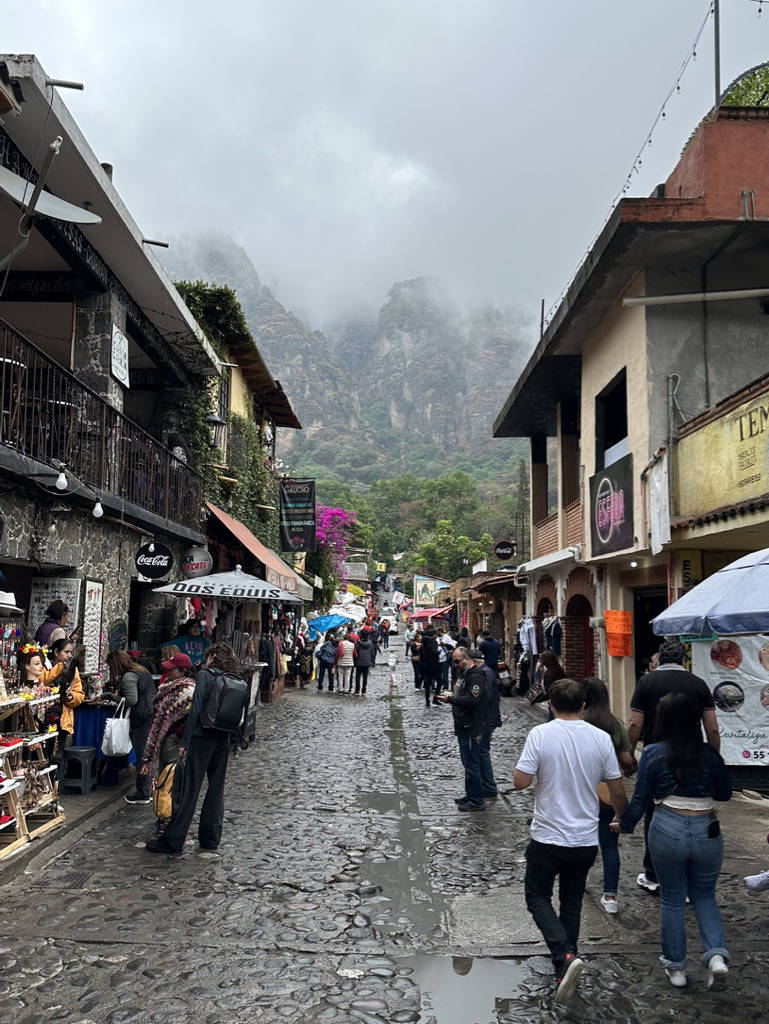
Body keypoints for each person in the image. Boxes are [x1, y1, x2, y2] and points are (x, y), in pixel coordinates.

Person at [514, 678, 627, 1004]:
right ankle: (568, 960)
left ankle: (563, 955)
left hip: (548, 835)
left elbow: (521, 782)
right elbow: (616, 788)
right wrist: (620, 817)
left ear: (550, 704)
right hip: (585, 837)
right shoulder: (601, 738)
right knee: (572, 899)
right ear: (582, 706)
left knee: (536, 896)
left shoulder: (540, 734)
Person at [616, 693, 731, 991]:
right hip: (707, 828)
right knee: (704, 896)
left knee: (672, 898)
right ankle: (716, 956)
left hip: (667, 826)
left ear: (662, 720)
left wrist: (624, 824)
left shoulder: (653, 753)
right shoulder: (709, 755)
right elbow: (724, 794)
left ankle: (676, 968)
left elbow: (640, 800)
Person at [627, 637, 720, 894]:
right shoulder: (698, 684)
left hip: (656, 753)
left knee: (654, 810)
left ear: (659, 659)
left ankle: (654, 871)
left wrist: (627, 754)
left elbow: (635, 723)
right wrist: (713, 757)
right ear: (682, 659)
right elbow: (711, 725)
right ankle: (691, 871)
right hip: (692, 753)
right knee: (694, 808)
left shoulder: (647, 682)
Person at [146, 643, 241, 854]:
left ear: (213, 657)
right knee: (216, 789)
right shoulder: (234, 678)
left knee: (189, 790)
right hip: (222, 738)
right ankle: (210, 838)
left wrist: (185, 743)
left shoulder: (206, 676)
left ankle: (173, 840)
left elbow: (196, 708)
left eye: (208, 657)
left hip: (201, 736)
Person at [581, 677, 634, 914]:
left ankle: (578, 881)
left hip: (581, 790)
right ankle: (610, 895)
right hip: (607, 792)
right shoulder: (614, 724)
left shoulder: (579, 723)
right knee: (610, 845)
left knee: (580, 840)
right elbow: (627, 759)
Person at [139, 652, 196, 833]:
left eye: (172, 670)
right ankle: (163, 815)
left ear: (182, 671)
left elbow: (190, 717)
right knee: (163, 778)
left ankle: (168, 818)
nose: (168, 672)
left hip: (172, 741)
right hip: (163, 739)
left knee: (169, 779)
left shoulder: (188, 691)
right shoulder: (168, 687)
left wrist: (179, 735)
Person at [437, 647, 488, 811]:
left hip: (472, 726)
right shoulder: (464, 675)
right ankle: (470, 794)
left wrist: (451, 699)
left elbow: (473, 701)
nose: (455, 664)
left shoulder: (475, 677)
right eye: (454, 661)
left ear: (467, 659)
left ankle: (477, 800)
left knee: (472, 763)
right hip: (463, 725)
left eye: (458, 661)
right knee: (467, 763)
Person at [106, 650, 156, 805]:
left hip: (141, 718)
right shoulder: (141, 670)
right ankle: (147, 789)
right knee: (146, 754)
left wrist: (114, 697)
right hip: (149, 713)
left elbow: (132, 700)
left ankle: (143, 792)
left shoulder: (128, 676)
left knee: (142, 755)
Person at [43, 638, 85, 757]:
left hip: (62, 718)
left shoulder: (72, 671)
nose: (69, 655)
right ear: (56, 652)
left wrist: (70, 697)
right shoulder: (44, 665)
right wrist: (60, 667)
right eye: (66, 652)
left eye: (70, 652)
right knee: (42, 754)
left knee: (58, 756)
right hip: (42, 717)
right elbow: (42, 681)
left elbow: (79, 694)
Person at [470, 648, 500, 800]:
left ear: (475, 662)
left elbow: (484, 697)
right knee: (481, 751)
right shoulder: (485, 671)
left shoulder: (485, 673)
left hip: (486, 719)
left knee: (482, 752)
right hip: (485, 718)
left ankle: (488, 786)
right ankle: (486, 785)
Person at [420, 627, 440, 708]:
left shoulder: (423, 641)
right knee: (440, 681)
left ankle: (427, 701)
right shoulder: (433, 642)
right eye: (435, 634)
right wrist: (438, 652)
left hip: (426, 664)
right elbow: (434, 652)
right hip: (434, 664)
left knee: (427, 683)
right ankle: (435, 698)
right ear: (433, 635)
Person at [353, 629, 374, 695]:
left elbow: (355, 652)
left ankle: (357, 690)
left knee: (358, 677)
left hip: (359, 662)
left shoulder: (358, 643)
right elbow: (372, 653)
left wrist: (355, 660)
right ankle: (364, 690)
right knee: (365, 677)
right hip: (367, 662)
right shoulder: (370, 643)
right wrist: (370, 661)